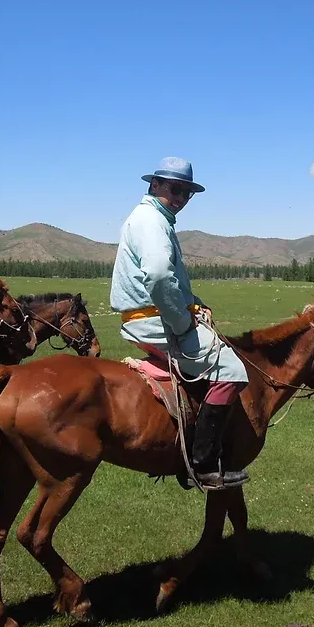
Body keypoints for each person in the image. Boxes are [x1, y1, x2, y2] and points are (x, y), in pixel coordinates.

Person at [110, 157, 250, 490]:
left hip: (150, 318)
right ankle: (201, 465)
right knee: (232, 370)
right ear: (155, 184)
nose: (181, 197)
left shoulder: (154, 218)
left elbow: (171, 281)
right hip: (154, 322)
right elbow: (158, 276)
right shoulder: (152, 221)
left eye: (187, 192)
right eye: (175, 189)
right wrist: (184, 321)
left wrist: (194, 303)